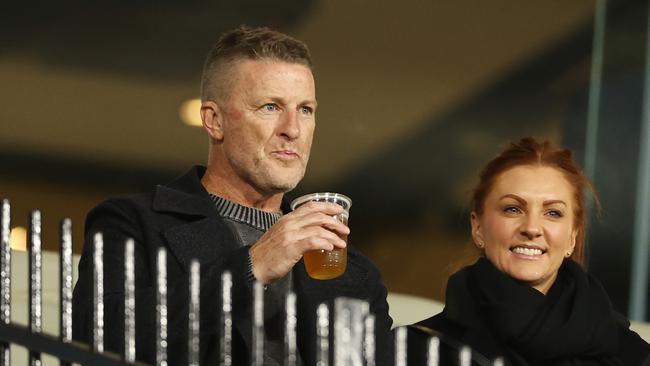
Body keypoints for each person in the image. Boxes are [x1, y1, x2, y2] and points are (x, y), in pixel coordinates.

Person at [72, 25, 393, 365]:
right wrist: (251, 267)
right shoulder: (133, 223)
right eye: (270, 107)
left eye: (305, 110)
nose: (293, 129)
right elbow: (96, 340)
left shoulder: (354, 272)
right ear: (214, 120)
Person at [411, 137, 650, 365]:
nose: (532, 228)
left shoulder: (631, 354)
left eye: (553, 213)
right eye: (513, 209)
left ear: (572, 237)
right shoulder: (416, 348)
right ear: (478, 227)